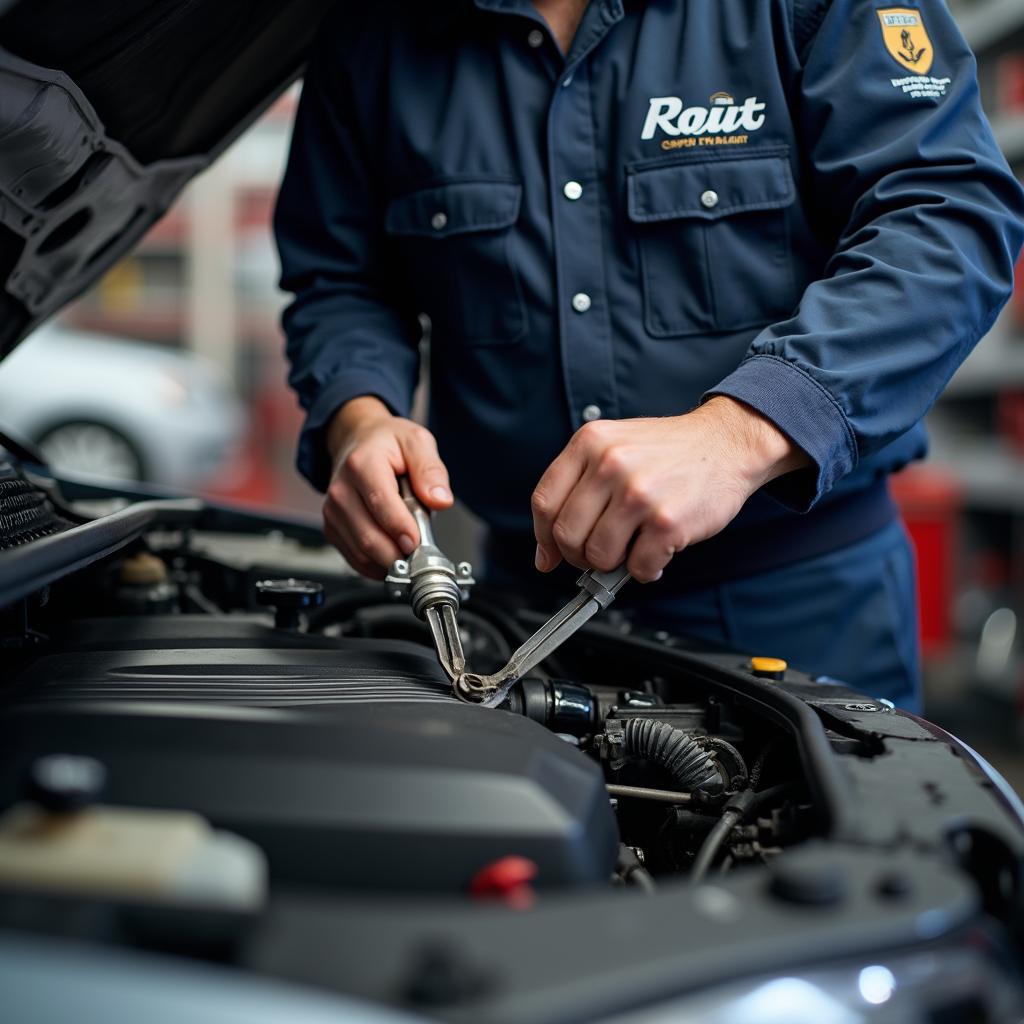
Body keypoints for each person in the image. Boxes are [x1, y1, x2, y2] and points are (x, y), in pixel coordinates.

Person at [274, 0, 1024, 710]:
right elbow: (341, 278)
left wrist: (741, 433)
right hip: (519, 604)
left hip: (802, 601)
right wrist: (359, 420)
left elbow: (945, 215)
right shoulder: (375, 32)